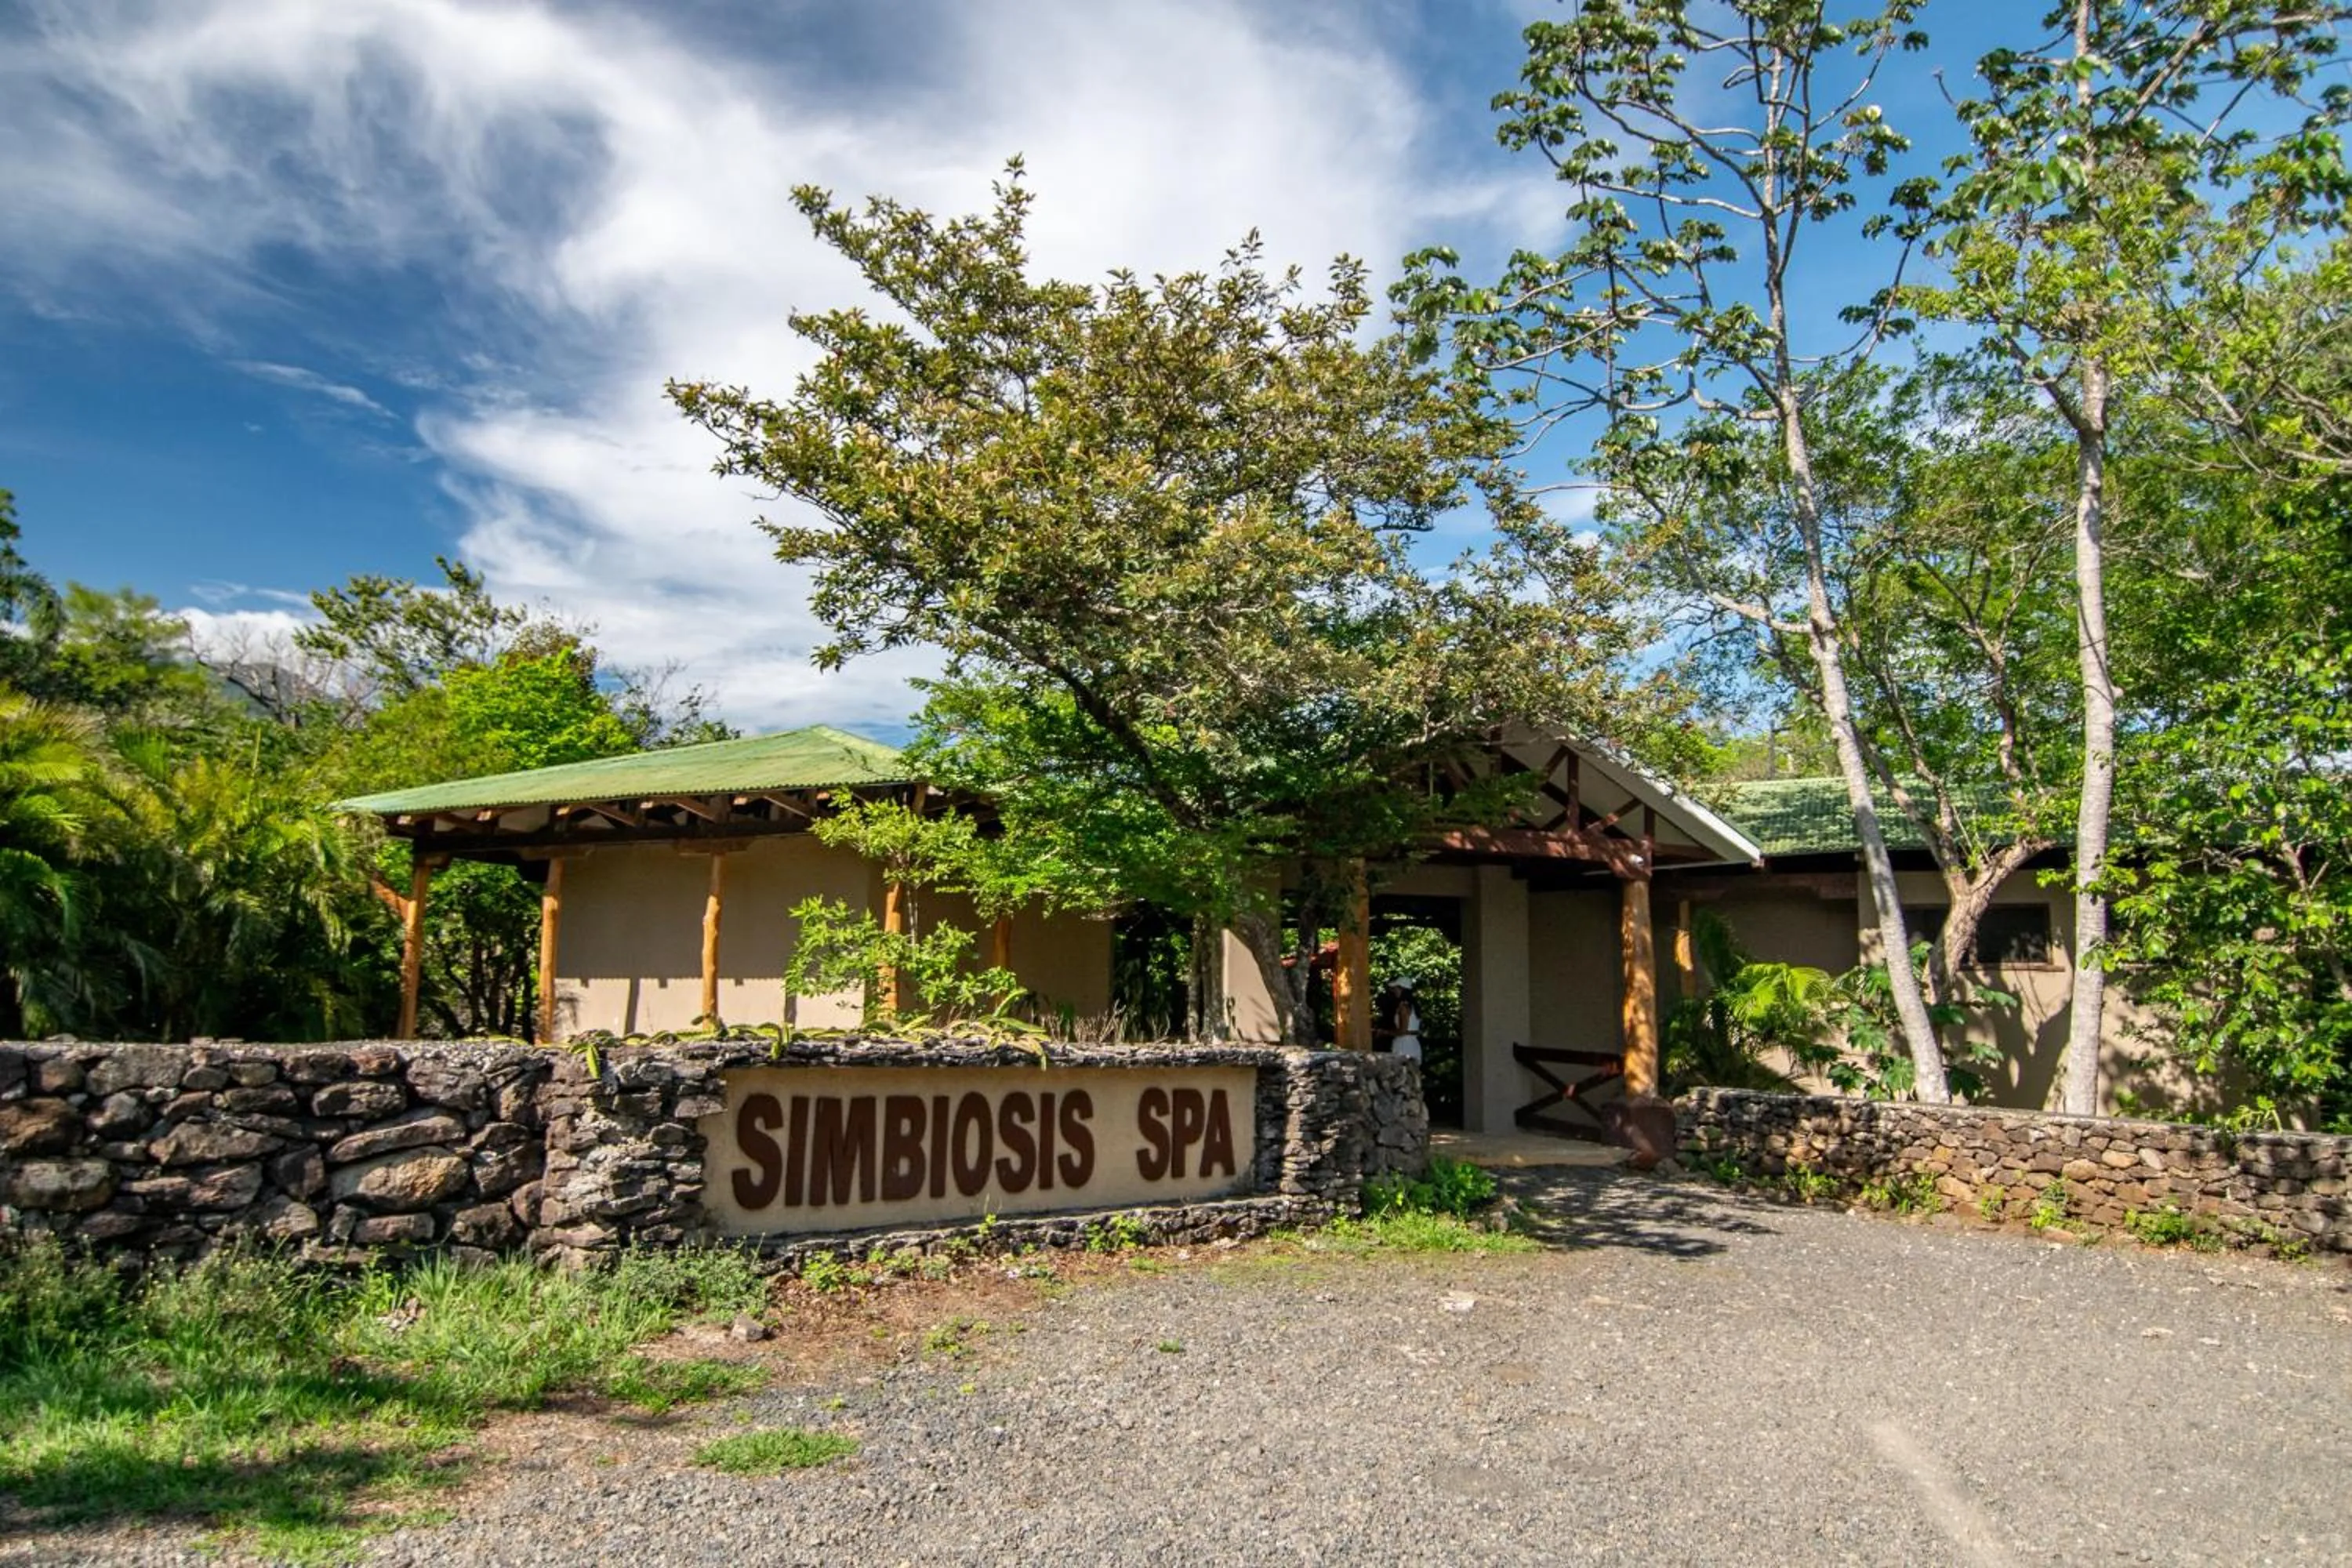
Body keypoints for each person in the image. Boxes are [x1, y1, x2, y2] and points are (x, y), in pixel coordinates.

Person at [1379, 980, 1422, 1064]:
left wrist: (1385, 1032)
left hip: (1403, 1045)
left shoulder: (1404, 1007)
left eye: (1395, 988)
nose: (1394, 991)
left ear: (1402, 989)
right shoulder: (1414, 1006)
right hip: (1414, 1044)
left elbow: (1402, 1031)